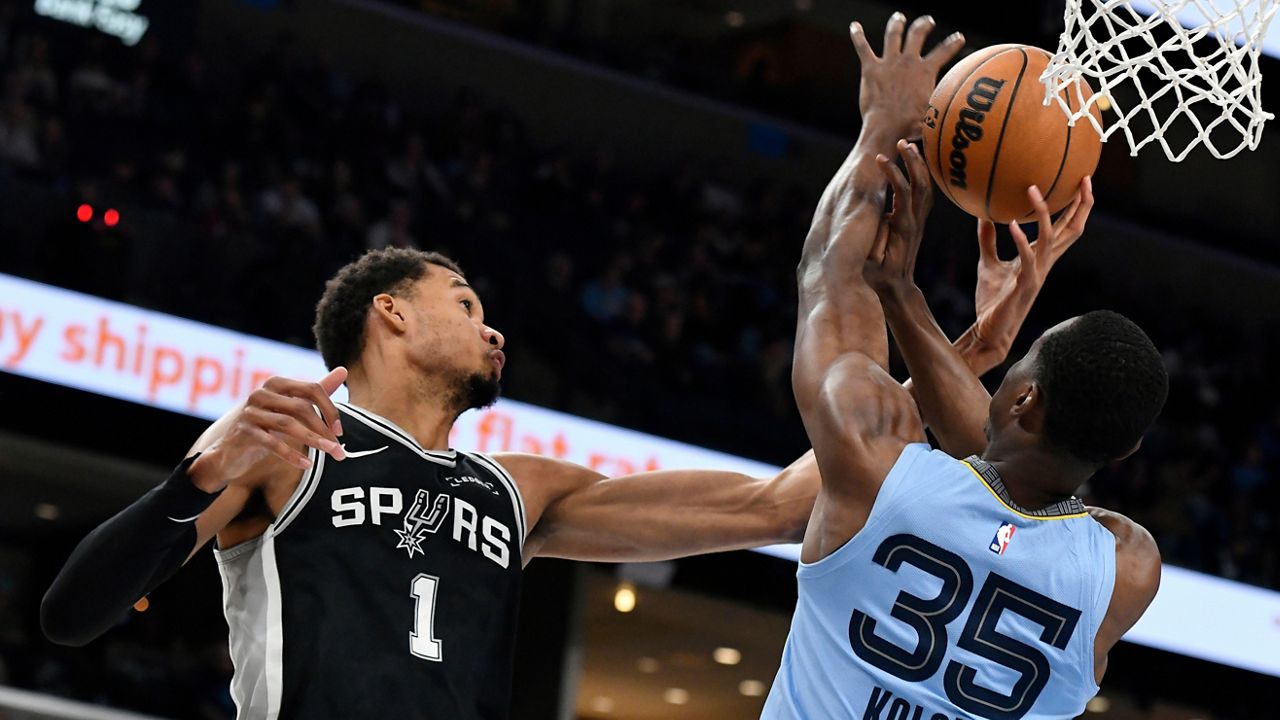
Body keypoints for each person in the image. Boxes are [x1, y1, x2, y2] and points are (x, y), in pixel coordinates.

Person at [43, 45, 1065, 720]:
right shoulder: (284, 451)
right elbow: (72, 616)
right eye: (464, 301)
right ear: (389, 313)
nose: (492, 326)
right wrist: (193, 479)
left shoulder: (519, 493)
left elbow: (783, 500)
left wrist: (974, 348)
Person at [762, 13, 1166, 720]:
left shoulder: (876, 463)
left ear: (1023, 399)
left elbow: (826, 277)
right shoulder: (1125, 571)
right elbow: (1005, 465)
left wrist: (884, 129)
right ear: (1126, 448)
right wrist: (921, 309)